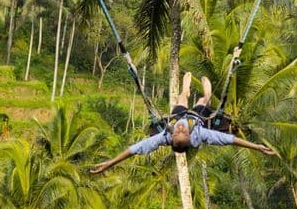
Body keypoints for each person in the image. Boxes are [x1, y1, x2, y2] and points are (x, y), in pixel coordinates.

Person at [91, 72, 275, 174]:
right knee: (205, 100)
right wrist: (256, 147)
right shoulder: (198, 134)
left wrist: (110, 163)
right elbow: (229, 139)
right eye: (183, 133)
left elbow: (134, 149)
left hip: (178, 114)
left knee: (181, 98)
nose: (180, 129)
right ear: (189, 136)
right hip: (197, 117)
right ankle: (207, 92)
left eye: (177, 132)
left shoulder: (165, 135)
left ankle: (186, 89)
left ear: (171, 138)